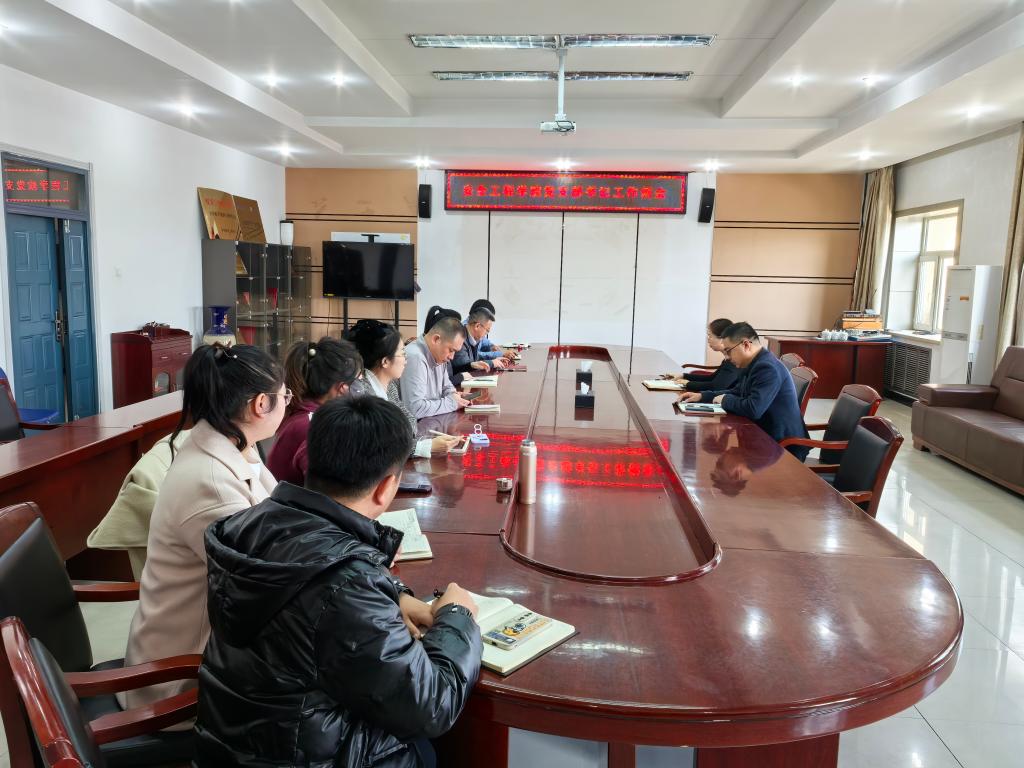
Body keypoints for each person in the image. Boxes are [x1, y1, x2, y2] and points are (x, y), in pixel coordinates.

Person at [195, 396, 482, 768]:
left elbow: (308, 583)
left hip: (231, 745)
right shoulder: (348, 587)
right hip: (301, 755)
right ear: (386, 487)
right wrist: (457, 616)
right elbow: (432, 706)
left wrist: (392, 593)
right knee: (430, 749)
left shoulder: (247, 524)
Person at [120, 344, 286, 714]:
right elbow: (264, 580)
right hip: (182, 681)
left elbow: (280, 518)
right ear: (261, 404)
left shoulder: (235, 444)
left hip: (213, 648)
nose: (286, 403)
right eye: (284, 395)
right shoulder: (211, 482)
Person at [677, 322, 810, 460]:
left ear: (746, 345)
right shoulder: (754, 363)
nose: (727, 357)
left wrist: (724, 399)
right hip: (763, 436)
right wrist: (703, 396)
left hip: (783, 447)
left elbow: (753, 409)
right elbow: (737, 391)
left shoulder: (767, 368)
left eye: (728, 351)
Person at [345, 319, 461, 456]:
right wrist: (423, 447)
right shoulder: (360, 393)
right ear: (385, 361)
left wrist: (419, 443)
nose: (406, 360)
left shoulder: (390, 385)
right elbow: (377, 446)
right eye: (402, 353)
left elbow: (410, 423)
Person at [267, 337, 362, 485]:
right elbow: (333, 489)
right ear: (342, 388)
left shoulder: (303, 414)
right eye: (357, 382)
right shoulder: (314, 425)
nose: (360, 389)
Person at [401, 312, 471, 418]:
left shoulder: (438, 355)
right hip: (417, 425)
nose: (452, 357)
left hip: (432, 420)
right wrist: (452, 403)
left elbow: (446, 386)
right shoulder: (415, 357)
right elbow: (415, 409)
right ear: (436, 339)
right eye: (451, 350)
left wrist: (454, 395)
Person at [667, 318, 742, 393]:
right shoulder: (727, 359)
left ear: (722, 339)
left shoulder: (733, 361)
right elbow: (711, 378)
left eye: (710, 336)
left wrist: (688, 383)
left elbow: (715, 387)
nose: (708, 340)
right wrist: (683, 376)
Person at [451, 305, 509, 380]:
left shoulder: (474, 338)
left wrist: (494, 360)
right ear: (477, 326)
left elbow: (474, 360)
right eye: (487, 330)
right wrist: (491, 363)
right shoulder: (460, 337)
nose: (486, 334)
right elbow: (464, 367)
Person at [467, 299, 515, 363]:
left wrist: (491, 346)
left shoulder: (476, 328)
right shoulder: (464, 331)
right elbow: (474, 355)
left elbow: (484, 342)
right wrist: (500, 354)